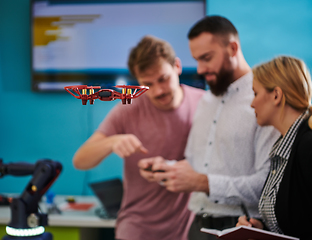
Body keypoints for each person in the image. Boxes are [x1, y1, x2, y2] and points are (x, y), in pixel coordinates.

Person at [138, 16, 280, 240]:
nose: (200, 69)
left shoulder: (263, 100)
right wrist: (166, 168)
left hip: (242, 228)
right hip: (198, 226)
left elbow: (269, 183)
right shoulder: (206, 100)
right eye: (196, 59)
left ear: (233, 48)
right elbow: (197, 165)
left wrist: (203, 183)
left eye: (206, 58)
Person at [73, 35, 205, 240]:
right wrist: (112, 141)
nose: (158, 90)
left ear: (177, 66)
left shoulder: (205, 104)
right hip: (136, 228)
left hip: (190, 229)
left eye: (163, 79)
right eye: (147, 84)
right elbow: (80, 160)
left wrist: (175, 167)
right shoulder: (128, 110)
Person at [236, 56, 312, 240]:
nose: (252, 103)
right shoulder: (283, 148)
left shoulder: (307, 146)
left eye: (255, 94)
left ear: (276, 95)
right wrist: (261, 228)